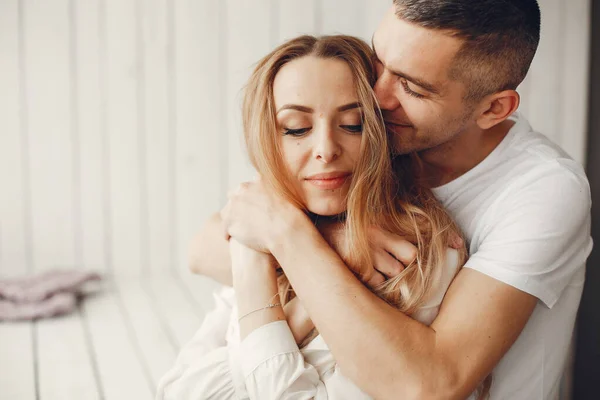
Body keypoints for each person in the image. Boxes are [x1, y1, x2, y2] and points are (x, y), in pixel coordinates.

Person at [195, 1, 593, 399]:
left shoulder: (545, 190)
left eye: (412, 87)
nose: (377, 95)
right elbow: (208, 246)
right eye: (379, 61)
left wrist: (291, 237)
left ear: (492, 108)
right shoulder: (376, 136)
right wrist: (336, 239)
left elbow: (431, 384)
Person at [157, 35, 471, 399]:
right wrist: (287, 250)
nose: (325, 149)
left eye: (353, 124)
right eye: (296, 128)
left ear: (381, 133)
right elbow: (176, 389)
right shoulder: (273, 222)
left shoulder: (412, 257)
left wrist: (258, 244)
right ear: (267, 138)